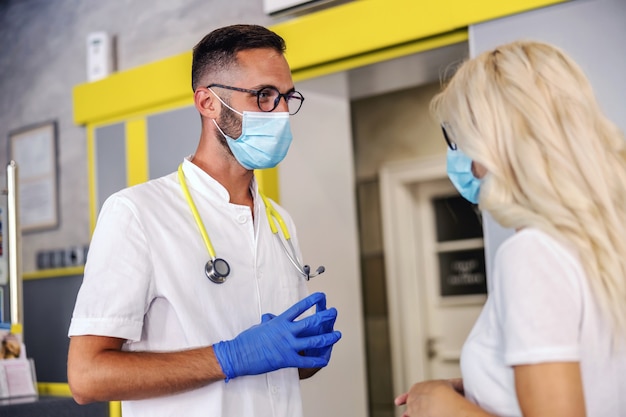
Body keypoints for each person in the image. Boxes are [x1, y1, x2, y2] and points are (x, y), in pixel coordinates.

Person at [67, 24, 342, 417]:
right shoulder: (138, 214)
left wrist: (303, 355)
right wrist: (229, 357)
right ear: (208, 102)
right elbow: (86, 376)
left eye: (287, 97)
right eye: (264, 96)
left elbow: (273, 370)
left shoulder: (279, 222)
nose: (281, 112)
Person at [395, 40, 626, 417]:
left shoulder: (533, 253)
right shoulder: (605, 239)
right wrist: (482, 385)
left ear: (495, 139)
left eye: (461, 139)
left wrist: (444, 408)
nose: (466, 165)